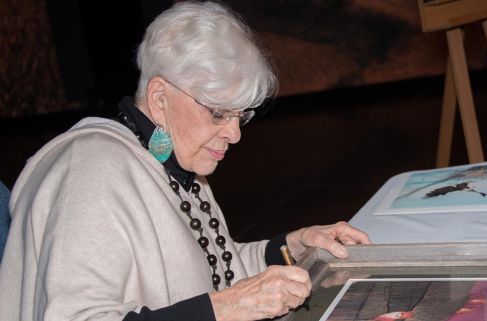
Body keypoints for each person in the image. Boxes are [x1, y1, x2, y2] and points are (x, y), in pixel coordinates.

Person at [0, 2, 370, 321]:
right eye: (218, 114)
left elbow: (217, 268)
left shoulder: (168, 158)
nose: (235, 134)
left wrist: (294, 247)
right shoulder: (87, 171)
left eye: (242, 116)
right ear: (161, 96)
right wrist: (228, 309)